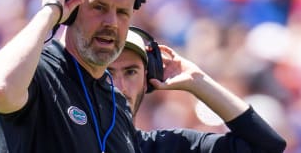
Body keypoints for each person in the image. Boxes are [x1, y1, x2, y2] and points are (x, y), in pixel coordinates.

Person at [0, 0, 147, 153]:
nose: (112, 22)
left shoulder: (116, 103)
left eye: (122, 12)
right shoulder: (37, 71)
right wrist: (50, 10)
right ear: (71, 7)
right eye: (99, 7)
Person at [107, 29, 287, 152]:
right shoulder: (78, 141)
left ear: (147, 81)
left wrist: (197, 80)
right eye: (107, 73)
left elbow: (266, 147)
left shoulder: (166, 146)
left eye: (131, 72)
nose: (119, 87)